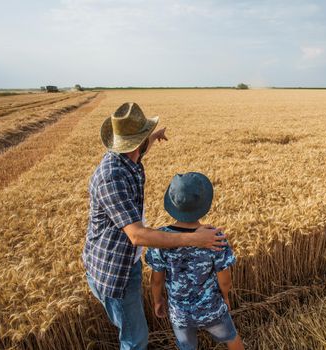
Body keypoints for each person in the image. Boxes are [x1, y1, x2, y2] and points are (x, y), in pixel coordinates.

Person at [82, 102, 227, 350]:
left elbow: (138, 149)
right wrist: (194, 238)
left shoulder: (128, 157)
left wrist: (153, 137)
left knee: (134, 332)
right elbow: (137, 236)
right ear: (134, 144)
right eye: (144, 137)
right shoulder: (111, 177)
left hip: (128, 261)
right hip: (115, 271)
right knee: (135, 340)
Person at [146, 172, 244, 350]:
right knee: (231, 337)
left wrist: (157, 300)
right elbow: (225, 279)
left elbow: (156, 280)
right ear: (203, 204)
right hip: (211, 307)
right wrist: (226, 297)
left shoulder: (160, 239)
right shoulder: (215, 237)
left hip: (179, 313)